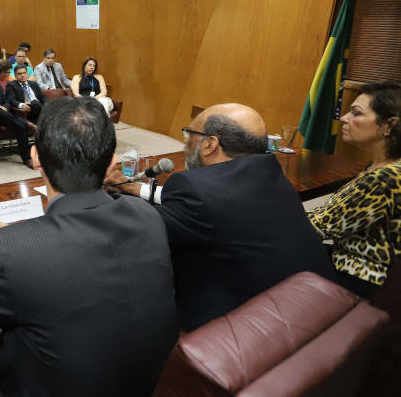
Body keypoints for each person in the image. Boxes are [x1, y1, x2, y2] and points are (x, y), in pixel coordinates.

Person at [0, 97, 177, 396]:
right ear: (112, 161)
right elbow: (65, 247)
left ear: (35, 158)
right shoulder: (149, 218)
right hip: (142, 384)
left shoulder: (13, 252)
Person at [104, 103, 341, 331]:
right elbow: (214, 205)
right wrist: (135, 189)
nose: (186, 141)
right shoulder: (270, 173)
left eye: (189, 134)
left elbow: (139, 233)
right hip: (317, 315)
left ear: (209, 145)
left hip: (247, 334)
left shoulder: (194, 187)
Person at [306, 81, 401, 298]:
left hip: (361, 280)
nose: (344, 118)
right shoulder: (383, 165)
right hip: (351, 261)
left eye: (356, 113)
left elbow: (316, 228)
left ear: (389, 125)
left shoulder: (385, 179)